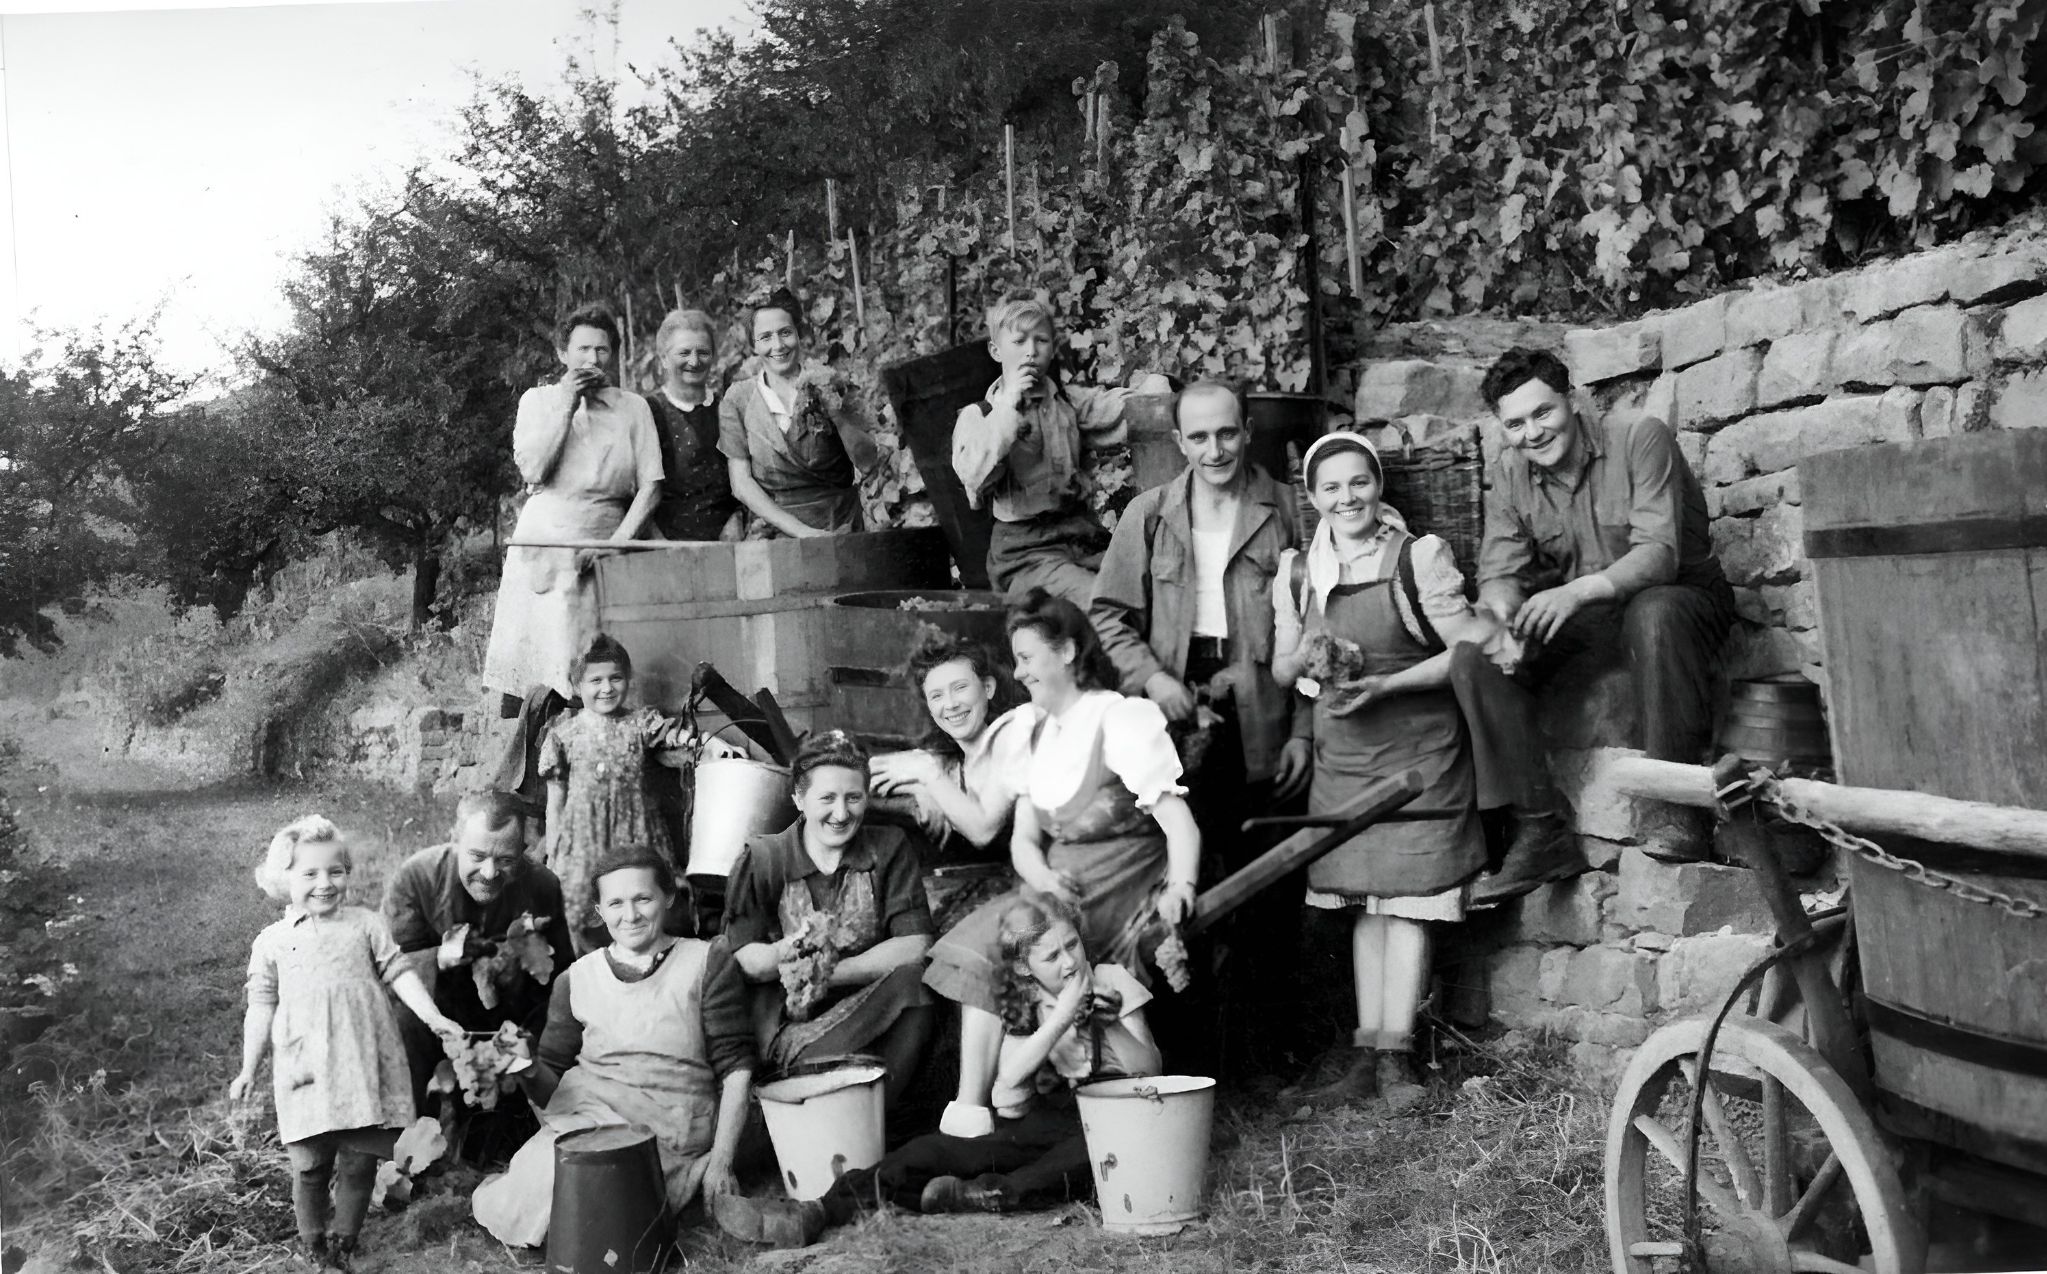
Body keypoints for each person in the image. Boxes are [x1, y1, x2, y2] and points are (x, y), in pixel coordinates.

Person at [713, 891, 1159, 1246]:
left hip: (1119, 1114)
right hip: (1054, 1117)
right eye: (1052, 956)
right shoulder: (1031, 1004)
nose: (1069, 962)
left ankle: (991, 1193)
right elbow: (1010, 1078)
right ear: (1026, 967)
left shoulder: (1112, 980)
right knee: (940, 1151)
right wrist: (1062, 1016)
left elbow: (1150, 1068)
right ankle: (819, 1210)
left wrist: (1109, 1023)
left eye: (1072, 945)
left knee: (1089, 1155)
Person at [1089, 380, 1313, 1077]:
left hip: (1263, 707)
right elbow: (1108, 614)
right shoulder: (1150, 514)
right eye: (1199, 437)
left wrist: (1303, 729)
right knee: (1187, 879)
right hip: (1179, 717)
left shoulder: (1287, 509)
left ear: (1247, 432)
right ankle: (1198, 1058)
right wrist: (1153, 680)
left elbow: (1319, 625)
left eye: (1226, 433)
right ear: (1178, 442)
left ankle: (1272, 1054)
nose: (1214, 450)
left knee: (1269, 884)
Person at [1269, 432, 1499, 1107]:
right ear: (1313, 498)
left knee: (1408, 902)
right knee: (1365, 904)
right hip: (1344, 756)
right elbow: (1281, 668)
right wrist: (1307, 656)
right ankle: (1368, 1054)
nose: (1347, 498)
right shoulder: (1297, 572)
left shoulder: (1418, 557)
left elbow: (1470, 648)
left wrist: (1388, 685)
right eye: (1331, 487)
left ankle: (1398, 1056)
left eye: (1359, 482)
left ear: (1378, 486)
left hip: (1418, 751)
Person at [1457, 346, 1737, 897]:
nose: (1533, 433)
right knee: (1473, 657)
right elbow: (1499, 572)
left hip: (1681, 602)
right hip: (1590, 617)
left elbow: (1659, 555)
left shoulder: (1640, 437)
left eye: (1543, 412)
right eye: (1515, 424)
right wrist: (1500, 617)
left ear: (1573, 400)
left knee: (1654, 611)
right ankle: (1540, 829)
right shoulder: (1510, 472)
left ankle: (1676, 810)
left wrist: (1574, 592)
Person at [923, 588, 1198, 1136]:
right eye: (1017, 660)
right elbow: (1024, 840)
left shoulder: (1119, 720)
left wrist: (1181, 886)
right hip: (1057, 890)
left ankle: (999, 1102)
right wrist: (1043, 876)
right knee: (991, 940)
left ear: (1068, 652)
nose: (1020, 672)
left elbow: (1180, 824)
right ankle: (978, 1106)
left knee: (1008, 942)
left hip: (1122, 883)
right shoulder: (1035, 731)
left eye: (1027, 657)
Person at [471, 848, 755, 1249]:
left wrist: (722, 1163)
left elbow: (736, 1067)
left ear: (668, 897)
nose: (631, 915)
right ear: (599, 911)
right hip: (586, 1123)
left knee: (605, 1202)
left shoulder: (706, 961)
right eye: (616, 903)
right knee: (550, 1185)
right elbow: (550, 1083)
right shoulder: (576, 980)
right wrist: (526, 1065)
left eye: (643, 898)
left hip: (667, 1130)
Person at [230, 816, 463, 1273]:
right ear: (284, 878)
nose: (325, 883)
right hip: (307, 1067)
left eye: (335, 871)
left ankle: (343, 1244)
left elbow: (399, 973)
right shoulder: (273, 942)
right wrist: (247, 1068)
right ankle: (314, 1244)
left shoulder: (366, 925)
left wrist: (432, 1017)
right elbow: (260, 1005)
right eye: (310, 873)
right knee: (311, 1164)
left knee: (359, 1161)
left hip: (363, 1061)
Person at [723, 731, 936, 1108]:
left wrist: (827, 973)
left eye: (854, 797)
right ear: (798, 799)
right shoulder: (764, 859)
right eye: (827, 798)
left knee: (916, 984)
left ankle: (876, 1120)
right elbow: (749, 961)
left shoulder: (887, 848)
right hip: (792, 1025)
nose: (841, 813)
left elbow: (914, 944)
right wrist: (801, 952)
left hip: (872, 1006)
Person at [482, 304, 665, 710]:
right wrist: (567, 403)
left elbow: (651, 488)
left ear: (613, 355)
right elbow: (535, 470)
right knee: (543, 679)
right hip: (546, 547)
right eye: (582, 349)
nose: (592, 359)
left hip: (608, 545)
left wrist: (616, 544)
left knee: (603, 669)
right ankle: (539, 748)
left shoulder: (633, 407)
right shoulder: (538, 401)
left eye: (601, 350)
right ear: (562, 354)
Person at [540, 633, 737, 951]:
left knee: (644, 899)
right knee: (580, 910)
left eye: (615, 678)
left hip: (635, 831)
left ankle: (651, 961)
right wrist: (553, 853)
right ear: (577, 686)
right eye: (596, 680)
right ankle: (592, 965)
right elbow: (556, 801)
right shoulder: (564, 734)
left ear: (628, 679)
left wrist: (706, 743)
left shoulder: (639, 723)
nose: (607, 688)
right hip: (583, 840)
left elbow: (675, 737)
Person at [382, 792, 573, 1115]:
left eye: (506, 860)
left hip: (508, 1016)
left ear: (523, 851)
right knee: (403, 1021)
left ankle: (520, 1117)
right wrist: (440, 958)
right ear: (454, 841)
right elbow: (389, 970)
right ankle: (411, 1121)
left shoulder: (542, 885)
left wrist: (520, 961)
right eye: (477, 856)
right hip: (434, 1016)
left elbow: (561, 974)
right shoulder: (416, 878)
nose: (489, 873)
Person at [950, 289, 1137, 604]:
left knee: (1142, 585)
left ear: (1052, 348)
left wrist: (1164, 392)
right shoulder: (980, 416)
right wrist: (1010, 405)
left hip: (1081, 538)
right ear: (996, 351)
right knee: (1099, 600)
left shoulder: (1066, 402)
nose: (1030, 352)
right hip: (1024, 552)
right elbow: (973, 472)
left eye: (1041, 341)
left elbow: (1120, 410)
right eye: (1019, 342)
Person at [718, 288, 876, 537]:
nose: (778, 345)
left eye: (785, 333)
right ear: (754, 346)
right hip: (774, 532)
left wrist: (837, 414)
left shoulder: (831, 382)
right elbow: (741, 484)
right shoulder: (738, 399)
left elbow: (868, 462)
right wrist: (801, 531)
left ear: (799, 334)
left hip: (840, 527)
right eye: (766, 337)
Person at [868, 626, 1033, 855]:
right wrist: (919, 791)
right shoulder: (950, 761)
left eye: (960, 687)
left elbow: (983, 832)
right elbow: (860, 779)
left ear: (988, 688)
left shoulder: (1011, 732)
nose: (951, 704)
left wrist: (929, 775)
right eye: (937, 696)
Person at [644, 308, 744, 542]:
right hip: (667, 545)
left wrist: (738, 517)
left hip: (729, 542)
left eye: (703, 352)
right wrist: (660, 546)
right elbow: (636, 491)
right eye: (684, 352)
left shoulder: (727, 408)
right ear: (664, 359)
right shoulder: (648, 411)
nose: (694, 361)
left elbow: (747, 477)